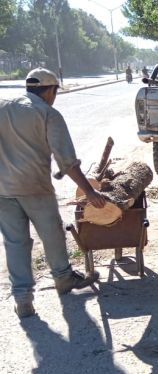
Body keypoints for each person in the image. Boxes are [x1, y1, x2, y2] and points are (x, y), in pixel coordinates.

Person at [0, 68, 107, 319]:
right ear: (49, 90)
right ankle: (63, 279)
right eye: (55, 92)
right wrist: (90, 191)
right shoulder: (47, 113)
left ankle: (23, 299)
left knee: (15, 243)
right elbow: (67, 161)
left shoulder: (2, 106)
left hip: (3, 189)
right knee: (52, 234)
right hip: (35, 187)